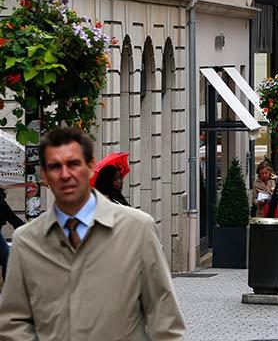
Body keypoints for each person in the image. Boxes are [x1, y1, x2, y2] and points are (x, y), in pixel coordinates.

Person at [0, 127, 185, 340]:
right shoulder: (27, 241)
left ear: (90, 167)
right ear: (44, 175)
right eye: (55, 167)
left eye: (73, 164)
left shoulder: (138, 229)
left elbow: (164, 319)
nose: (65, 174)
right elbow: (13, 322)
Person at [0, 188, 24, 280]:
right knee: (7, 258)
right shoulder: (1, 203)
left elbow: (13, 219)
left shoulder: (2, 203)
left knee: (7, 257)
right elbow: (13, 219)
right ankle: (8, 286)